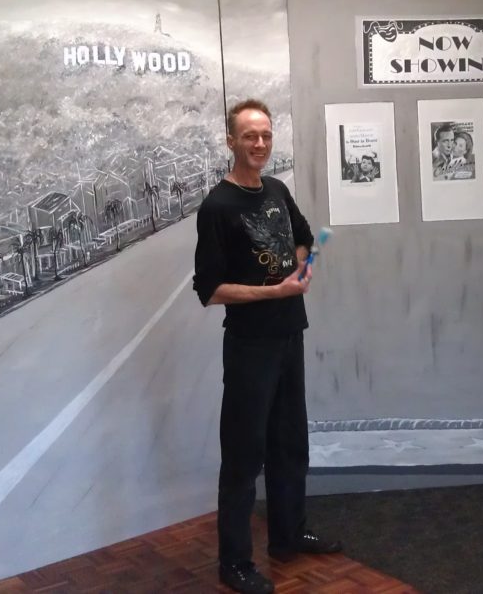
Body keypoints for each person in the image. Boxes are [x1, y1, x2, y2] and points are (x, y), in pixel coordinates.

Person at [193, 99, 342, 594]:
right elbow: (210, 290)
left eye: (266, 135)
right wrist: (275, 292)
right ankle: (234, 563)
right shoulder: (218, 207)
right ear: (231, 141)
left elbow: (303, 237)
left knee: (289, 443)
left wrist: (301, 265)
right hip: (249, 346)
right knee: (242, 456)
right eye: (249, 136)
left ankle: (287, 535)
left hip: (288, 335)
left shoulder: (277, 189)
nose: (260, 143)